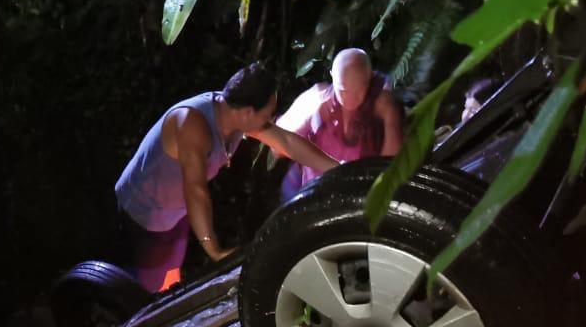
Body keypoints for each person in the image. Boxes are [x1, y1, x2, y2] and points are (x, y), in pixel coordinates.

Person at [115, 62, 340, 293]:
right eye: (267, 114)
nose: (270, 119)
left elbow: (287, 142)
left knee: (170, 278)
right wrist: (214, 250)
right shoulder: (192, 126)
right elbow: (195, 190)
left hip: (176, 212)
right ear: (248, 112)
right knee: (149, 289)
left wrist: (338, 168)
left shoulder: (233, 115)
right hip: (145, 213)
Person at [277, 48, 404, 201]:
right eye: (343, 90)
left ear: (369, 79)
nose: (351, 98)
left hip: (357, 195)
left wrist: (390, 115)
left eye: (359, 90)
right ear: (333, 76)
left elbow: (389, 167)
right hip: (311, 192)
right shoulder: (317, 99)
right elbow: (279, 141)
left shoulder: (383, 105)